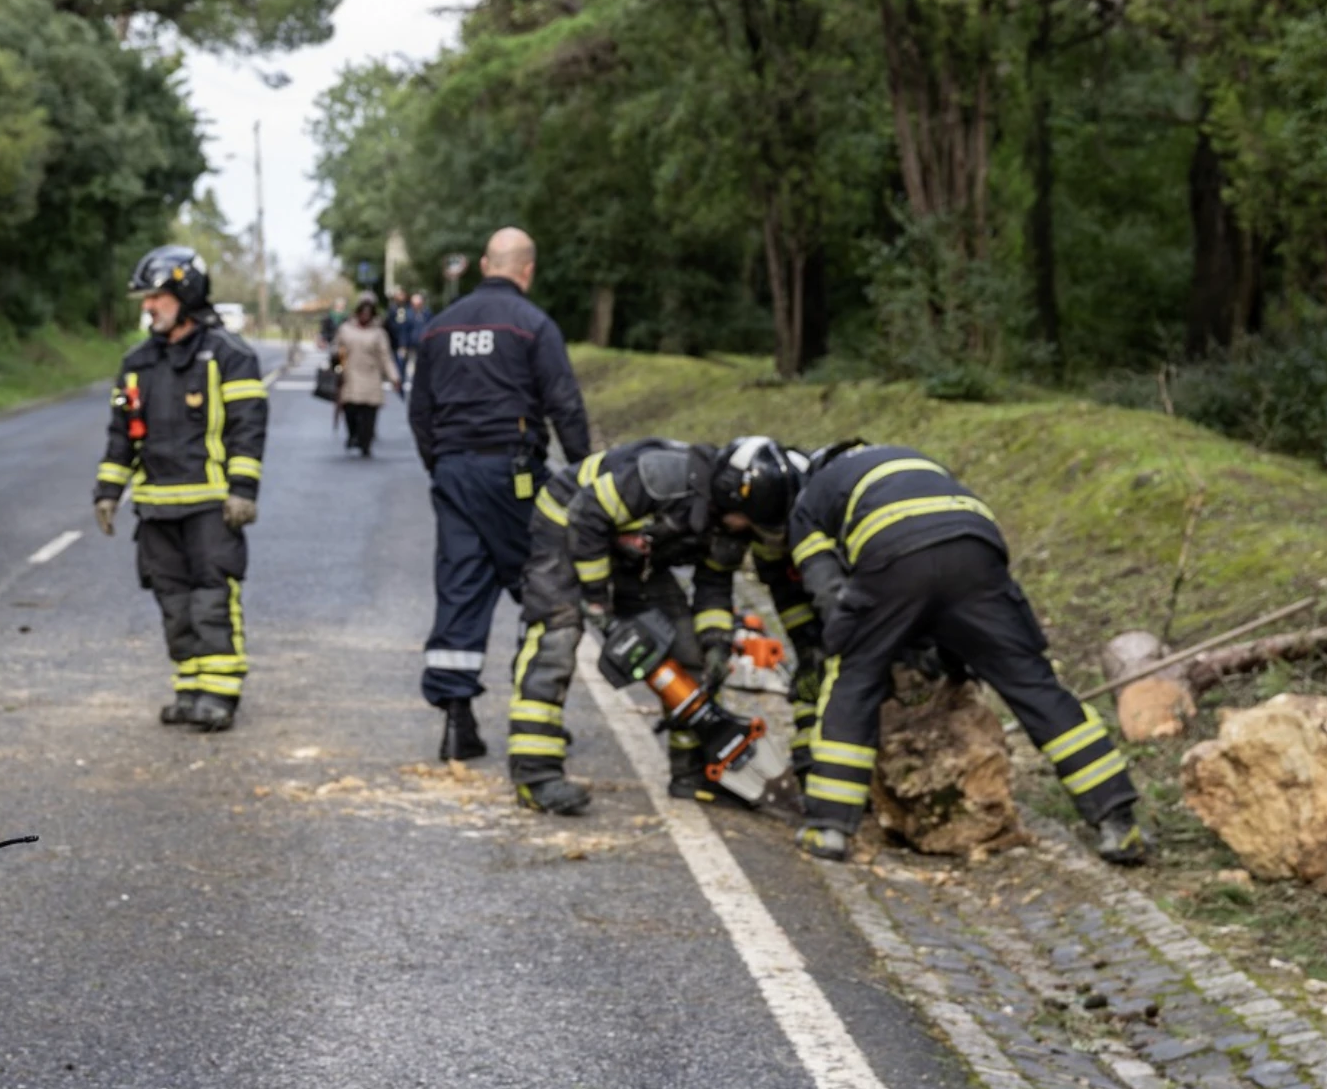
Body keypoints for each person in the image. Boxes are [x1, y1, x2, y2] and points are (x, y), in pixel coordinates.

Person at [786, 441, 1150, 866]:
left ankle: (829, 826)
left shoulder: (810, 499)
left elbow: (828, 591)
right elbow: (941, 574)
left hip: (894, 553)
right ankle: (1117, 822)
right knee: (1033, 683)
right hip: (977, 548)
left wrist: (865, 644)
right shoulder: (914, 461)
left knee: (853, 680)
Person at [509, 436, 811, 810]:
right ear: (730, 497)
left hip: (633, 554)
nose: (748, 529)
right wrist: (598, 600)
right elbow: (588, 514)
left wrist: (716, 642)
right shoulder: (662, 477)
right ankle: (535, 775)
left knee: (689, 650)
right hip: (569, 524)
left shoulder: (733, 526)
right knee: (557, 636)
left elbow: (714, 585)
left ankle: (691, 773)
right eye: (747, 520)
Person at [406, 228, 590, 763]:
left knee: (461, 585)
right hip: (514, 474)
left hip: (454, 472)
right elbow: (564, 405)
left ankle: (456, 722)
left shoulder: (440, 326)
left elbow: (420, 412)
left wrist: (441, 466)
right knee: (543, 584)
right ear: (527, 270)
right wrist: (585, 477)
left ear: (486, 264)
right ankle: (537, 713)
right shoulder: (532, 325)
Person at [93, 244, 269, 731]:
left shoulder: (229, 355)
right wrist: (108, 491)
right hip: (155, 507)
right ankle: (190, 688)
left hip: (211, 505)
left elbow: (247, 428)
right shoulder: (137, 362)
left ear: (186, 294)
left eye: (156, 297)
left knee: (211, 598)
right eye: (145, 299)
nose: (148, 307)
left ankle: (220, 693)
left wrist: (243, 489)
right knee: (172, 603)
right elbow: (120, 435)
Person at [332, 295, 400, 455]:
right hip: (350, 375)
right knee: (350, 408)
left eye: (368, 313)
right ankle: (353, 434)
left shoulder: (379, 333)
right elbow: (336, 349)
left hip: (371, 376)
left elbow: (385, 357)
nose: (365, 316)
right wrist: (336, 364)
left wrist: (394, 377)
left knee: (369, 412)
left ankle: (365, 442)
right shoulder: (346, 329)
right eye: (362, 312)